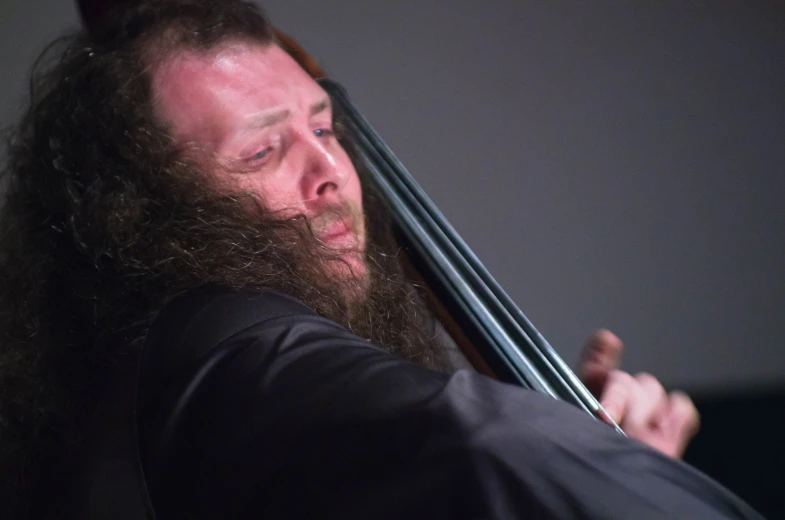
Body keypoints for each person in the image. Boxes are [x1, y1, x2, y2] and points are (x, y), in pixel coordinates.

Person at [0, 0, 761, 518]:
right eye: (262, 149)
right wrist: (610, 476)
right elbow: (485, 442)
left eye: (325, 129)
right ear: (141, 214)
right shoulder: (225, 343)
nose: (331, 171)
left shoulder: (131, 385)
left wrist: (605, 457)